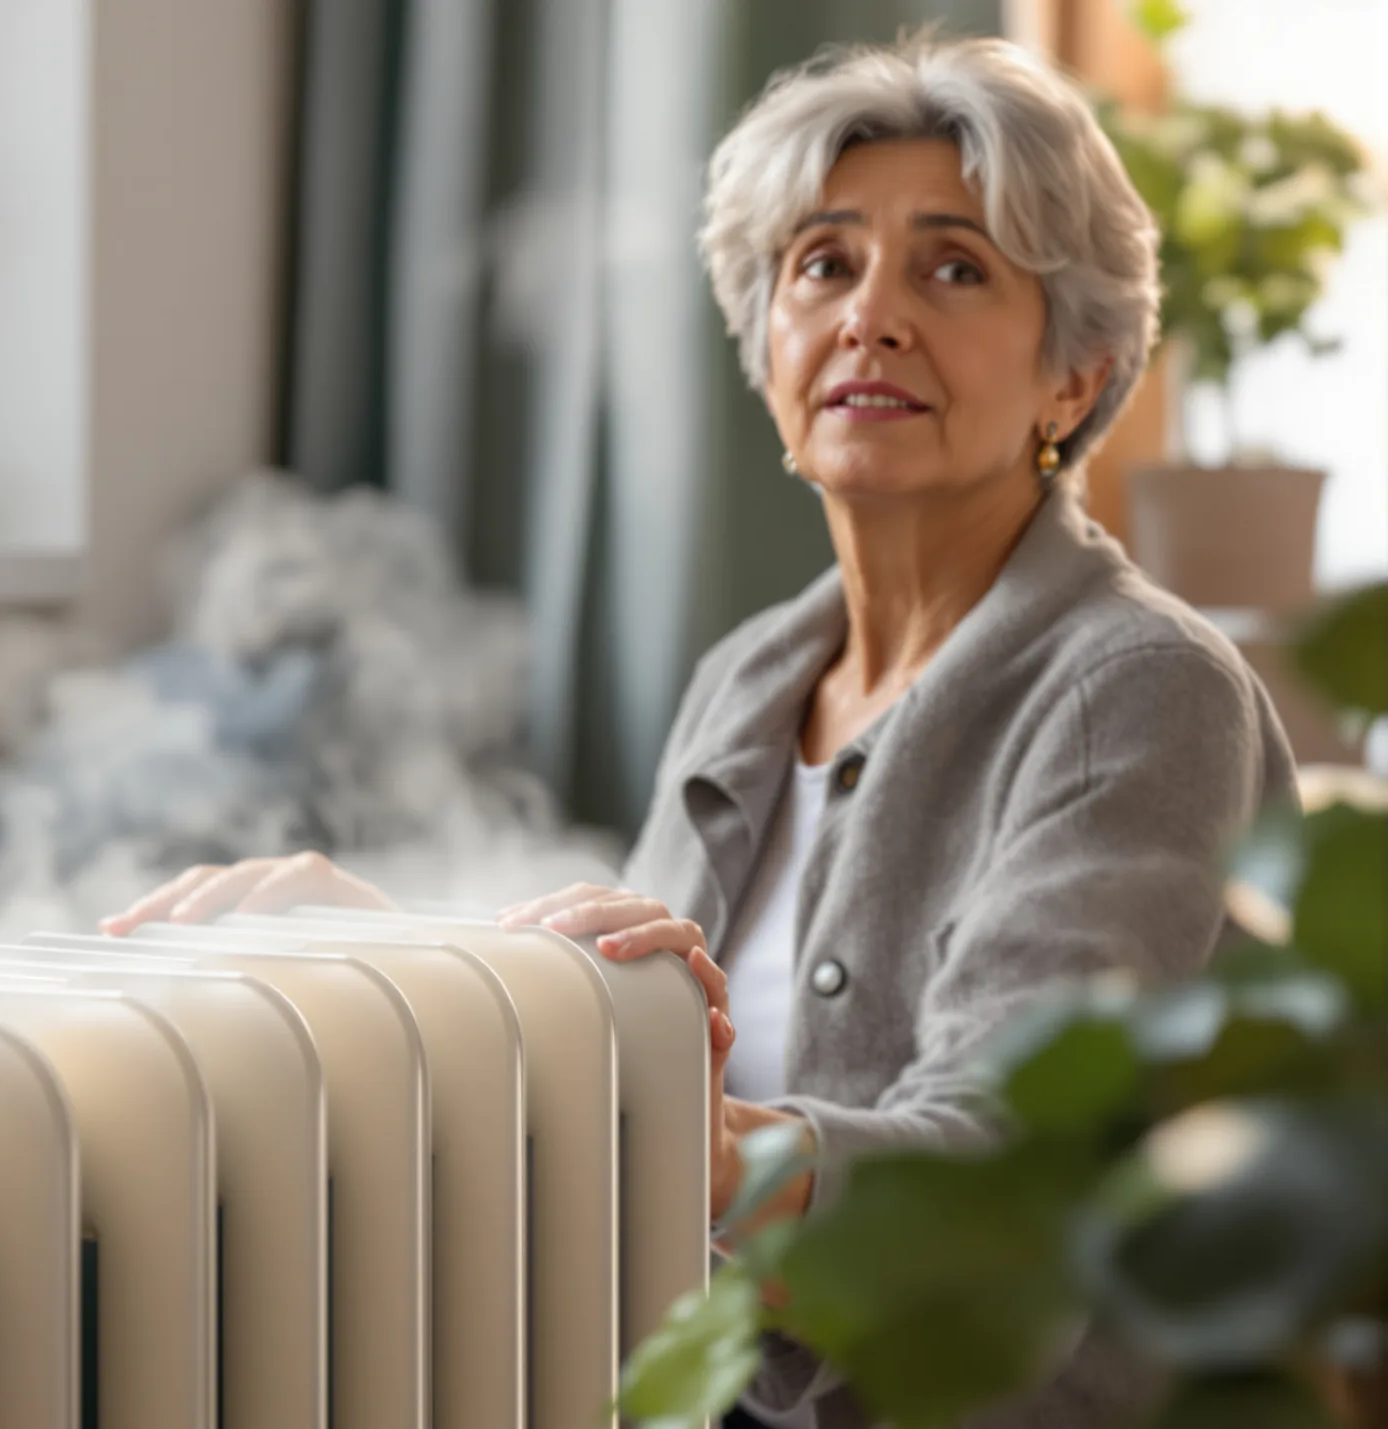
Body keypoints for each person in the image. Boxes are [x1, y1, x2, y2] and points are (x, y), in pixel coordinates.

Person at [104, 33, 1297, 1429]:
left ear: (1075, 378)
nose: (872, 316)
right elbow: (631, 1059)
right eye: (825, 263)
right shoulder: (750, 678)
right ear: (767, 342)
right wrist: (412, 978)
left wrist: (682, 1147)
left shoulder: (1138, 689)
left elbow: (1001, 1170)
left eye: (955, 267)